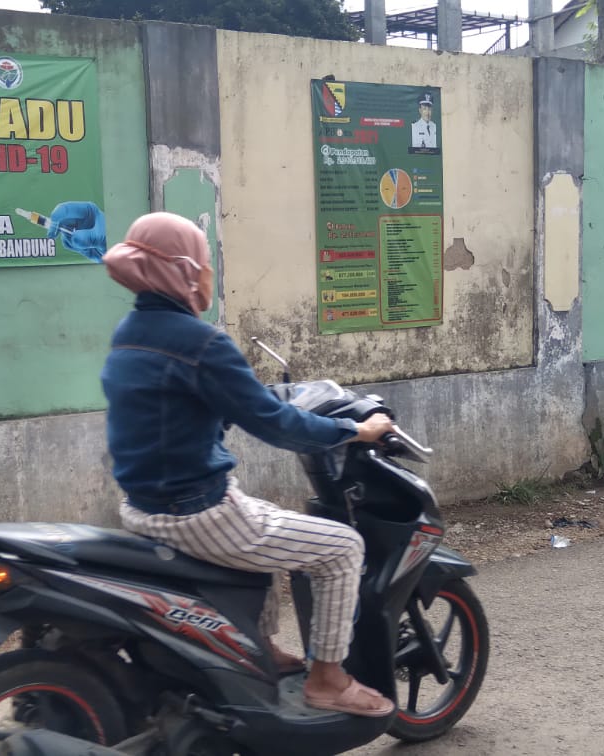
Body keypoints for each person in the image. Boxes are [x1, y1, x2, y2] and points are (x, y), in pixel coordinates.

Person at [99, 212, 397, 718]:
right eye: (206, 264)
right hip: (197, 513)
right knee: (343, 547)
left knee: (267, 519)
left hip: (143, 507)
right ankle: (327, 678)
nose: (210, 276)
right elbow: (274, 423)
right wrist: (355, 429)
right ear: (184, 271)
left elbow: (186, 407)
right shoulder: (201, 342)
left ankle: (258, 645)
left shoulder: (131, 332)